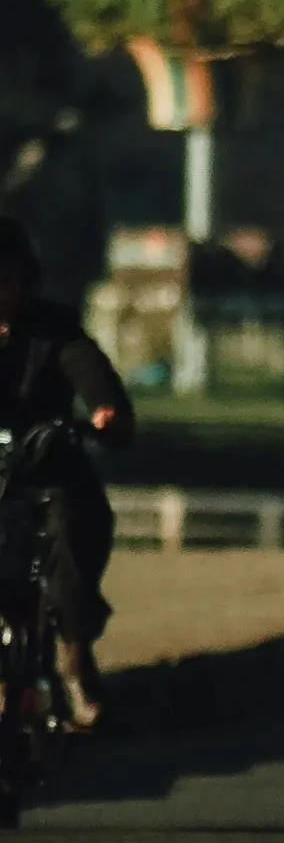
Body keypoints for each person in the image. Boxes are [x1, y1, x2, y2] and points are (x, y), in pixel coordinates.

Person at [0, 217, 130, 728]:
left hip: (46, 469)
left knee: (73, 527)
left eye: (3, 277)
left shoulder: (52, 329)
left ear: (23, 278)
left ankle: (75, 654)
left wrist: (104, 415)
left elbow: (94, 379)